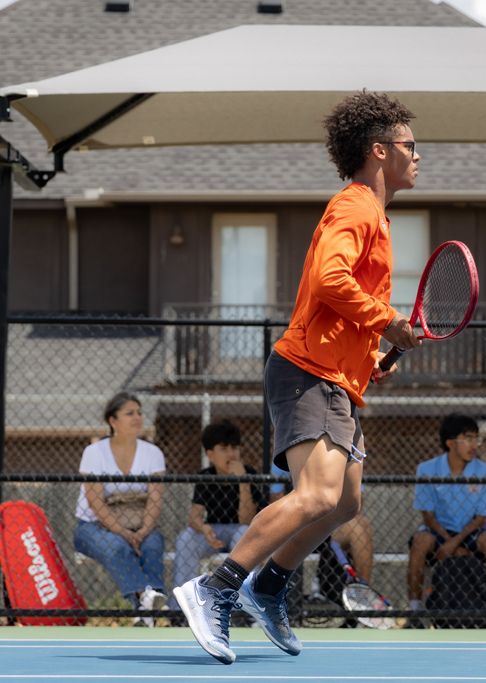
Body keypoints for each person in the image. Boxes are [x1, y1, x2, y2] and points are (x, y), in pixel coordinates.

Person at [174, 90, 421, 665]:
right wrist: (387, 321)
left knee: (345, 503)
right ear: (379, 150)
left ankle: (268, 586)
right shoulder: (357, 206)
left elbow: (339, 306)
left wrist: (372, 358)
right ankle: (217, 587)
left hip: (333, 377)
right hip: (308, 373)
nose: (419, 155)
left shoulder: (373, 216)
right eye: (411, 145)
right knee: (316, 495)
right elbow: (330, 278)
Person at [73, 392, 167, 627]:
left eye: (139, 412)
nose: (137, 417)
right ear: (113, 421)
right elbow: (96, 504)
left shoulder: (153, 453)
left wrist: (143, 531)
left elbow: (155, 501)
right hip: (92, 528)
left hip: (140, 527)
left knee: (153, 543)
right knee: (116, 547)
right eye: (129, 413)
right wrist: (125, 535)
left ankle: (144, 613)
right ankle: (147, 597)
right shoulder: (94, 453)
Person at [405, 414, 486, 629]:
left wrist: (454, 543)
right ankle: (414, 610)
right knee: (420, 541)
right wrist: (448, 542)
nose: (474, 445)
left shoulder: (485, 471)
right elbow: (428, 517)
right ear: (450, 443)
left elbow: (481, 519)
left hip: (470, 533)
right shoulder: (427, 469)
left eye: (477, 439)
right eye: (468, 439)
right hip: (439, 532)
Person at [168, 420, 266, 612]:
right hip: (213, 531)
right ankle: (180, 611)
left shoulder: (250, 474)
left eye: (235, 448)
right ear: (210, 455)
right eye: (224, 448)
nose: (231, 454)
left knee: (244, 532)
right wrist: (203, 528)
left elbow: (246, 521)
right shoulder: (206, 475)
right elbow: (194, 517)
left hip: (241, 534)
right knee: (186, 537)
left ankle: (240, 610)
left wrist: (243, 481)